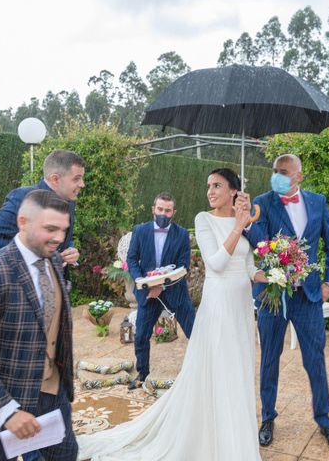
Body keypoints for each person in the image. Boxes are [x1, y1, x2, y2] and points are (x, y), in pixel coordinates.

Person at [76, 168, 267, 460]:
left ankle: (235, 438)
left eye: (217, 185)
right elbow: (215, 263)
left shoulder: (246, 222)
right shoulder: (203, 220)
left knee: (237, 366)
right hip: (218, 305)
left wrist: (277, 274)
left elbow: (249, 266)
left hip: (240, 305)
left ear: (233, 191)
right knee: (215, 367)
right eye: (208, 186)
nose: (210, 191)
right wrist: (238, 227)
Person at [0, 190, 77, 461]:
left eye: (63, 229)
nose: (59, 237)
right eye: (50, 228)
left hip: (52, 394)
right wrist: (6, 410)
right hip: (4, 399)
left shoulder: (54, 262)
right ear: (22, 222)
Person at [239, 154, 329, 449]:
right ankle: (268, 417)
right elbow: (258, 243)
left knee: (315, 360)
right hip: (273, 295)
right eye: (274, 171)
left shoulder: (318, 202)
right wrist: (247, 218)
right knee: (270, 358)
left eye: (283, 172)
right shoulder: (263, 201)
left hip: (308, 296)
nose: (277, 176)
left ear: (298, 176)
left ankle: (324, 419)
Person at [125, 192, 196, 389]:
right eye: (159, 209)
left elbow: (184, 266)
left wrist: (162, 285)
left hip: (176, 292)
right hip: (148, 294)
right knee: (141, 336)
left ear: (173, 212)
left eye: (167, 210)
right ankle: (142, 373)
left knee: (194, 333)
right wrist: (142, 281)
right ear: (153, 209)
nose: (163, 213)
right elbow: (132, 259)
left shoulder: (181, 234)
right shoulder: (140, 230)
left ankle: (200, 371)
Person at [0, 149, 85, 269]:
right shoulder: (22, 198)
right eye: (76, 179)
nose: (82, 184)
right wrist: (33, 251)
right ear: (55, 179)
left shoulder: (69, 201)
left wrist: (71, 249)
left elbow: (66, 239)